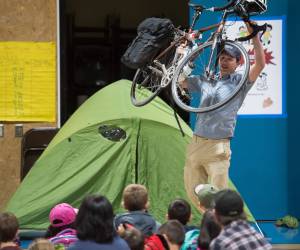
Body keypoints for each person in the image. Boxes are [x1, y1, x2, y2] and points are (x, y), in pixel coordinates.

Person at [180, 22, 265, 208]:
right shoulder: (206, 79)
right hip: (196, 143)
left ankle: (217, 230)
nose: (224, 61)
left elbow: (260, 63)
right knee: (193, 193)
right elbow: (181, 81)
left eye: (230, 59)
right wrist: (184, 55)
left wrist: (255, 37)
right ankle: (210, 228)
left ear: (238, 62)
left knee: (218, 200)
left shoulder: (240, 83)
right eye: (222, 58)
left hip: (218, 148)